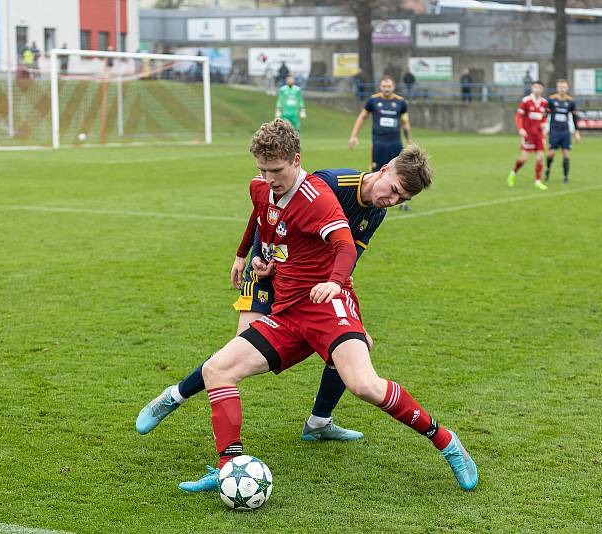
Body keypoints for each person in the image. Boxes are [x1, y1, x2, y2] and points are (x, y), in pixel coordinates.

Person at [135, 119, 478, 493]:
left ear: (296, 161)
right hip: (287, 306)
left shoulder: (319, 196)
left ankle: (445, 441)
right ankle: (228, 465)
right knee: (219, 369)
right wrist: (259, 260)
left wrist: (333, 282)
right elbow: (269, 222)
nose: (268, 178)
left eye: (276, 171)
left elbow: (346, 246)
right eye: (262, 170)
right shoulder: (262, 187)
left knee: (363, 384)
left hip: (328, 305)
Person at [165, 147, 429, 445]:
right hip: (266, 269)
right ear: (383, 170)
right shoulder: (331, 183)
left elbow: (350, 251)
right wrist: (249, 255)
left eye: (402, 199)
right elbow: (269, 212)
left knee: (355, 344)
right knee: (239, 349)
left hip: (308, 283)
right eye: (393, 190)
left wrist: (337, 279)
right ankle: (177, 394)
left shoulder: (376, 212)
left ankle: (319, 422)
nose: (392, 200)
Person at [348, 76, 413, 210]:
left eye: (389, 86)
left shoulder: (401, 103)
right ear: (380, 87)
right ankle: (372, 202)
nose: (386, 89)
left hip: (395, 142)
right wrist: (354, 136)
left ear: (393, 87)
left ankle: (403, 202)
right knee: (377, 172)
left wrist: (409, 141)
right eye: (384, 86)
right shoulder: (373, 100)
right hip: (378, 143)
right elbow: (362, 117)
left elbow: (405, 123)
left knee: (400, 171)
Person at [507, 80, 549, 191]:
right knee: (524, 158)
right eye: (535, 87)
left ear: (542, 89)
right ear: (532, 88)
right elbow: (519, 116)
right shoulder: (526, 101)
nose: (537, 90)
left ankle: (538, 181)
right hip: (528, 134)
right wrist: (521, 129)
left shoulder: (544, 102)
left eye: (539, 88)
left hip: (539, 135)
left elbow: (543, 116)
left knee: (540, 156)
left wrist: (544, 125)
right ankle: (513, 173)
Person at [544, 79, 581, 184]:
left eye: (564, 87)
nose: (562, 89)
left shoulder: (571, 101)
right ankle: (547, 169)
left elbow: (574, 118)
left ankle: (566, 176)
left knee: (566, 154)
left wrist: (576, 132)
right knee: (551, 153)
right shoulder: (551, 100)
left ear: (567, 88)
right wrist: (544, 129)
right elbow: (545, 115)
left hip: (565, 131)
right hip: (554, 131)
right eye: (560, 87)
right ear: (557, 88)